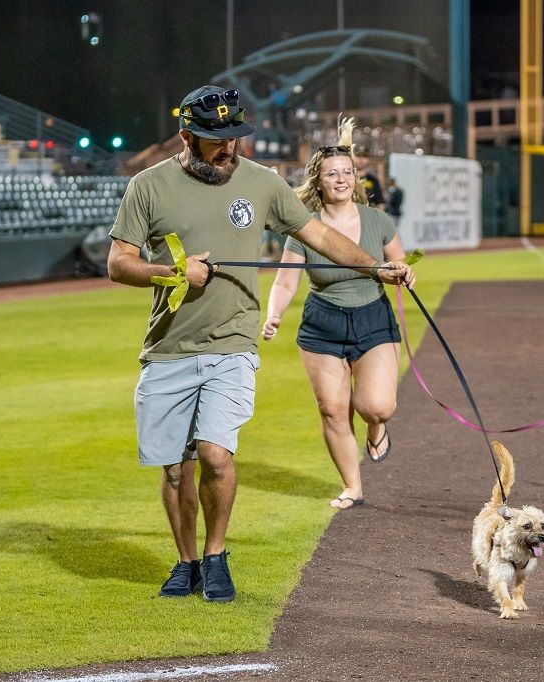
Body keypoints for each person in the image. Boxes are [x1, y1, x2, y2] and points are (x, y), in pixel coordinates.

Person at [107, 86, 414, 602]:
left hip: (232, 344)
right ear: (187, 136)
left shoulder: (262, 182)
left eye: (234, 139)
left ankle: (216, 554)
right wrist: (172, 272)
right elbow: (119, 263)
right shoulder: (148, 186)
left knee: (216, 455)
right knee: (177, 468)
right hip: (169, 347)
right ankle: (185, 562)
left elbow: (318, 236)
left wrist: (374, 266)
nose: (230, 150)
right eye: (216, 141)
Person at [262, 117, 406, 511]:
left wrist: (404, 273)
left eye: (347, 172)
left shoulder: (378, 220)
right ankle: (352, 486)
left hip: (373, 318)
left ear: (355, 177)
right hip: (322, 323)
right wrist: (274, 314)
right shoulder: (304, 229)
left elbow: (399, 264)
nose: (341, 179)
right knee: (332, 409)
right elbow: (285, 281)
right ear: (318, 180)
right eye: (332, 174)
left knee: (377, 405)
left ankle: (377, 429)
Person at [354, 145, 386, 210]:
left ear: (368, 159)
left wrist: (377, 218)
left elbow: (380, 204)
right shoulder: (346, 179)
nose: (361, 159)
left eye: (364, 156)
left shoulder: (373, 180)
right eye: (358, 156)